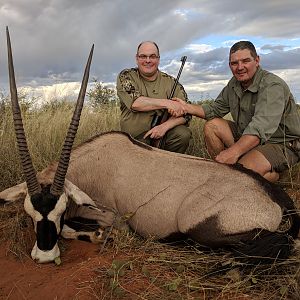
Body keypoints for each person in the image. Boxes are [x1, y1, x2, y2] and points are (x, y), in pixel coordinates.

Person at [170, 40, 300, 182]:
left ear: (257, 61)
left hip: (280, 143)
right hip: (248, 137)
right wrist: (185, 107)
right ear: (229, 65)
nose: (240, 67)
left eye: (245, 61)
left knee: (241, 175)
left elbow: (259, 128)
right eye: (234, 63)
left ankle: (274, 176)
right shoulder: (234, 83)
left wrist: (232, 152)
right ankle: (229, 169)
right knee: (212, 125)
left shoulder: (272, 85)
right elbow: (215, 109)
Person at [116, 41, 191, 153]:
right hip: (134, 140)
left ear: (158, 59)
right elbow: (135, 103)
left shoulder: (171, 82)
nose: (148, 60)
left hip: (163, 134)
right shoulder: (126, 76)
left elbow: (187, 113)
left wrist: (164, 127)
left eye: (152, 56)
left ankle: (170, 166)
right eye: (143, 56)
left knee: (183, 134)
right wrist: (168, 103)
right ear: (137, 59)